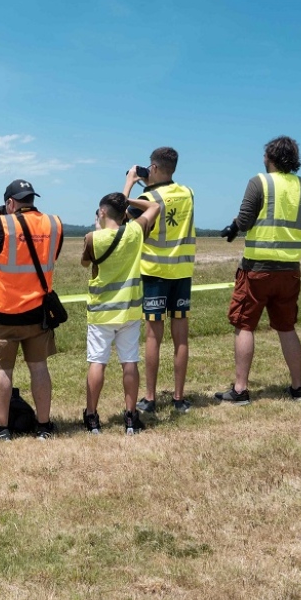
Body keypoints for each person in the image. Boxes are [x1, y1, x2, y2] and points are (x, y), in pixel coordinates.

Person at [214, 136, 301, 405]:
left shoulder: (259, 182)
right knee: (286, 328)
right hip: (290, 269)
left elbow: (246, 220)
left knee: (244, 325)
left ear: (269, 157)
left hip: (257, 268)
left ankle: (240, 390)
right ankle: (298, 388)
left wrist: (234, 226)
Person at [0, 180, 63, 441]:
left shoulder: (2, 224)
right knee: (39, 368)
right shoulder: (54, 223)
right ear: (32, 200)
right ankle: (44, 426)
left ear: (10, 203)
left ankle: (2, 428)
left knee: (3, 370)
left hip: (4, 313)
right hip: (38, 313)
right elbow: (50, 255)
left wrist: (0, 219)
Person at [123, 147, 196, 413]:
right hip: (182, 273)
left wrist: (130, 183)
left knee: (154, 337)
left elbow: (120, 216)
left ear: (153, 167)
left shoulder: (148, 197)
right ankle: (179, 398)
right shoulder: (188, 193)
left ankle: (150, 398)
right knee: (181, 338)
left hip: (154, 273)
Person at [82, 193, 160, 435]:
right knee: (129, 362)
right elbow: (155, 206)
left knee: (98, 362)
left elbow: (86, 264)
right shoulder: (135, 232)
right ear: (124, 213)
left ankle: (92, 416)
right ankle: (130, 417)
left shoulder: (92, 238)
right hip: (130, 310)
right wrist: (129, 200)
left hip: (101, 313)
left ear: (102, 213)